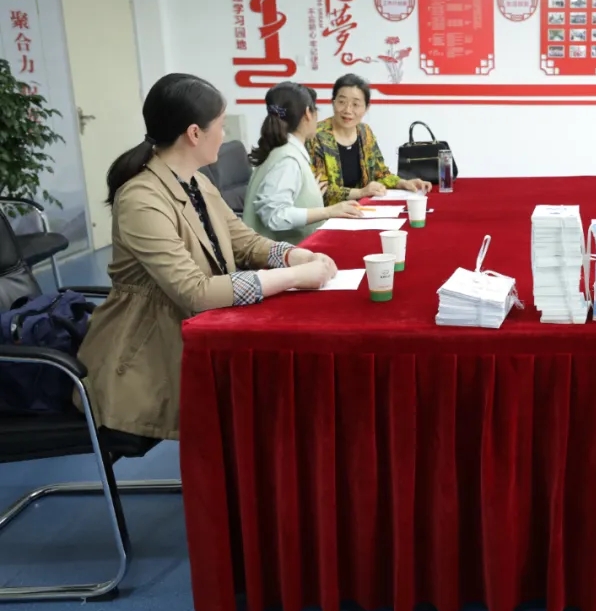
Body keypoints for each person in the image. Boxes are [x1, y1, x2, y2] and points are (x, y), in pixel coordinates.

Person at [77, 73, 338, 440]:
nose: (224, 134)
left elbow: (245, 242)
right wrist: (293, 277)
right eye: (220, 125)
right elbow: (195, 291)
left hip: (197, 334)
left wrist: (294, 255)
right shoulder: (141, 199)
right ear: (194, 133)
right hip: (148, 359)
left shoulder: (196, 181)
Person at [243, 82, 365, 242]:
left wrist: (308, 196)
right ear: (308, 113)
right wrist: (329, 211)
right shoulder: (288, 159)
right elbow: (274, 216)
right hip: (277, 254)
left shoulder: (282, 149)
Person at [307, 74, 431, 204]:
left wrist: (403, 183)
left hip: (363, 209)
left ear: (366, 108)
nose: (348, 110)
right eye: (342, 102)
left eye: (355, 104)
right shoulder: (315, 135)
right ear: (333, 103)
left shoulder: (365, 132)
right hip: (329, 212)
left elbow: (380, 173)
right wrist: (361, 192)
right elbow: (319, 189)